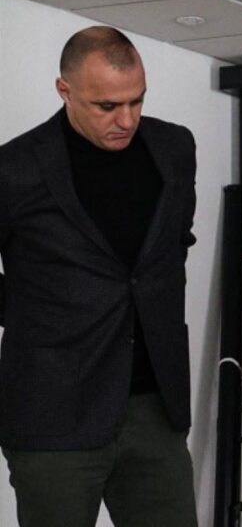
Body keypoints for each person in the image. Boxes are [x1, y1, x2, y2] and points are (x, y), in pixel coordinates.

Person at [0, 26, 198, 526]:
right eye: (107, 106)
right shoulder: (14, 169)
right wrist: (33, 313)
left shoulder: (174, 147)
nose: (126, 119)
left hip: (155, 407)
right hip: (54, 413)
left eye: (137, 100)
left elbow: (174, 246)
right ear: (64, 90)